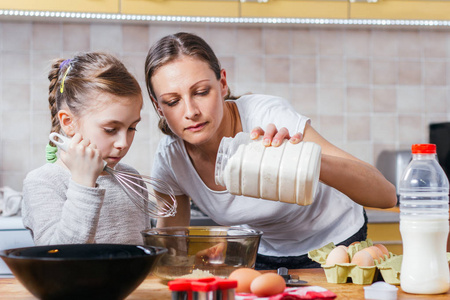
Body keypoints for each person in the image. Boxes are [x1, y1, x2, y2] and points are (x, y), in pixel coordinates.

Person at [144, 32, 397, 269]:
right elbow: (170, 246)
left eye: (201, 92)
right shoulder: (171, 159)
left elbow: (386, 196)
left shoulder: (267, 116)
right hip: (261, 251)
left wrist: (302, 161)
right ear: (158, 107)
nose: (190, 112)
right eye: (173, 101)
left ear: (222, 84)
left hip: (335, 241)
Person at [22, 52, 148, 245]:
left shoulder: (132, 180)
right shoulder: (43, 183)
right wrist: (83, 184)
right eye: (110, 129)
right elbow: (60, 258)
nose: (123, 143)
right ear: (69, 122)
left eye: (132, 127)